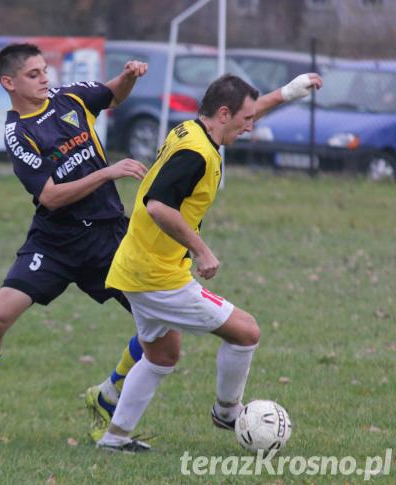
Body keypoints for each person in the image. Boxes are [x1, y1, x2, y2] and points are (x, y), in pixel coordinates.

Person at [0, 42, 152, 445]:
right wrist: (108, 173)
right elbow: (50, 195)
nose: (44, 78)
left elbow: (112, 93)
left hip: (106, 236)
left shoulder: (70, 97)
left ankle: (107, 395)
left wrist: (129, 76)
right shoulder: (18, 134)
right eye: (33, 74)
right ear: (8, 83)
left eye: (44, 70)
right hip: (55, 242)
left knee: (157, 325)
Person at [95, 72, 323, 452]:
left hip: (137, 266)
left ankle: (114, 438)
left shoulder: (194, 129)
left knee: (162, 355)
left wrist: (286, 93)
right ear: (222, 113)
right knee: (246, 332)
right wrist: (201, 249)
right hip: (157, 275)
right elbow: (156, 205)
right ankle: (227, 411)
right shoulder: (194, 155)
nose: (250, 127)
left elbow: (246, 112)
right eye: (245, 120)